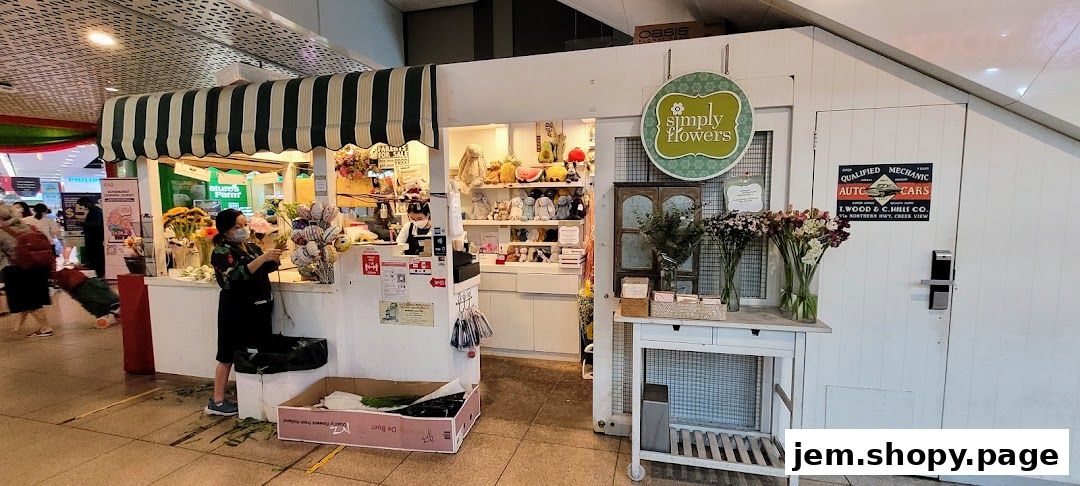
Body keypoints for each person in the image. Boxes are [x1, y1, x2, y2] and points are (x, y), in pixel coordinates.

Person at [206, 208, 282, 416]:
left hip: (259, 305)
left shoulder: (250, 246)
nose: (242, 230)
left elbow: (264, 268)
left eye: (243, 225)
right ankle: (218, 401)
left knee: (257, 347)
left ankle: (255, 395)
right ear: (225, 231)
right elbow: (237, 276)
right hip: (235, 307)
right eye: (237, 227)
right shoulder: (221, 252)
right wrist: (263, 258)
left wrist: (273, 257)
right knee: (227, 353)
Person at [0, 204, 54, 337]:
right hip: (36, 266)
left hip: (16, 268)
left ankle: (45, 327)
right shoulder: (26, 226)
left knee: (27, 300)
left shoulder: (1, 231)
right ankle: (18, 326)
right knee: (29, 298)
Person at [77, 197, 105, 278]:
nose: (83, 207)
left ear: (87, 202)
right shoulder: (95, 211)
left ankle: (99, 274)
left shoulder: (95, 211)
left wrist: (83, 224)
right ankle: (98, 273)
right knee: (95, 256)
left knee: (96, 256)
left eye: (83, 204)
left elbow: (96, 223)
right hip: (94, 237)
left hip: (95, 238)